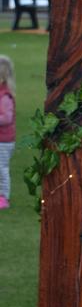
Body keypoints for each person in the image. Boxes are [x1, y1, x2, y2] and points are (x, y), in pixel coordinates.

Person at [0, 55, 16, 209]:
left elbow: (6, 118)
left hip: (4, 141)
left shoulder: (5, 96)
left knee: (2, 169)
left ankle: (4, 197)